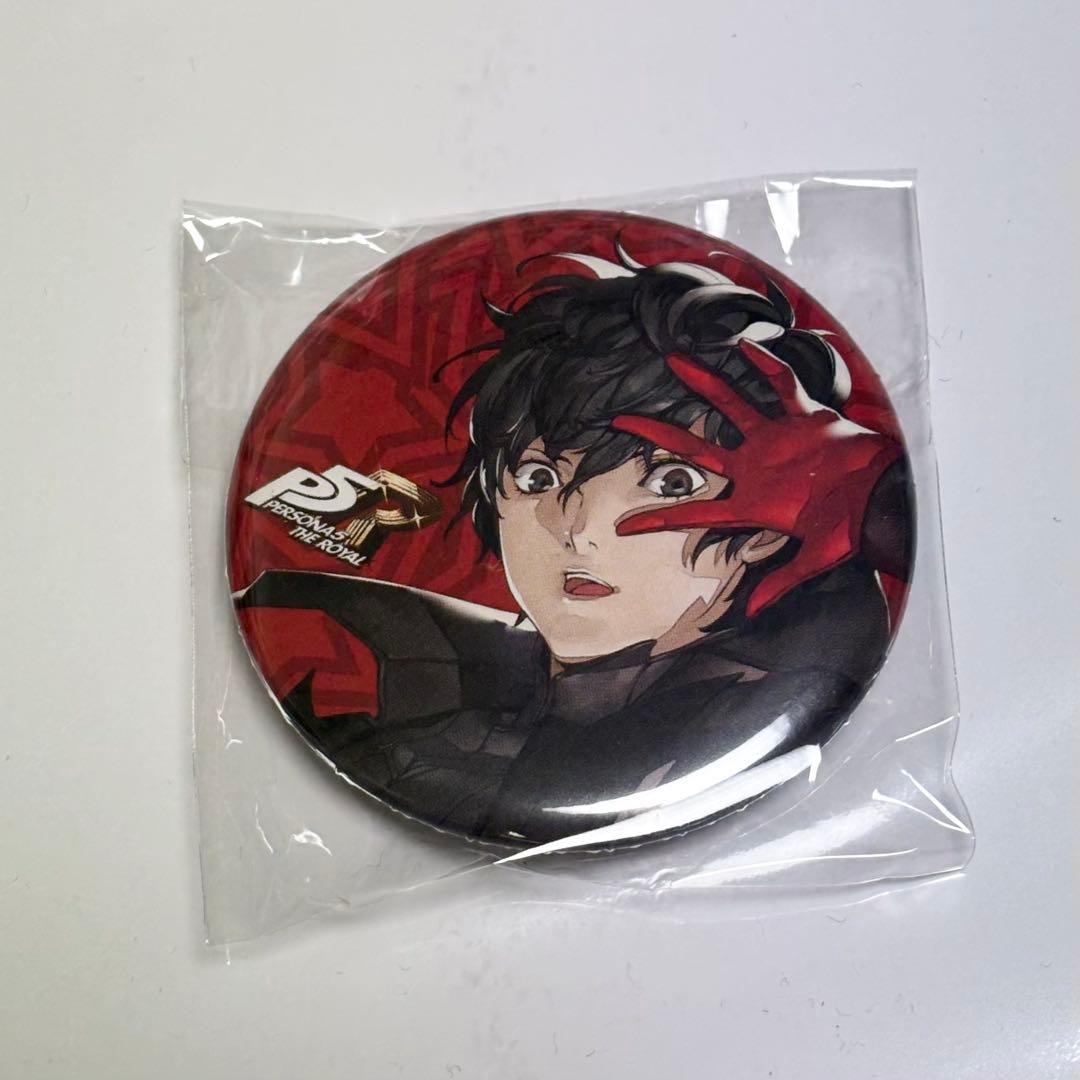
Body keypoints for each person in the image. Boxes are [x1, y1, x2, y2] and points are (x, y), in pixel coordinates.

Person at [236, 239, 913, 847]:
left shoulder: (757, 700)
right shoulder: (402, 657)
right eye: (538, 477)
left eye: (671, 481)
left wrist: (872, 494)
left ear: (763, 533)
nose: (576, 527)